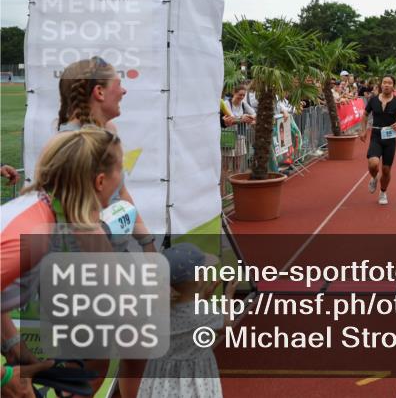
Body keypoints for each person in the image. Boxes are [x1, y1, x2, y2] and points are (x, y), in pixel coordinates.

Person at [1, 128, 122, 395]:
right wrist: (4, 377)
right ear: (100, 182)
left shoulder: (43, 214)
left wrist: (13, 347)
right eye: (120, 169)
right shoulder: (35, 233)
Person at [56, 57, 155, 254]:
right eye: (118, 84)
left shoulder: (109, 131)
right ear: (99, 92)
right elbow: (84, 227)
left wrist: (147, 243)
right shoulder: (72, 145)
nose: (124, 91)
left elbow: (121, 192)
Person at [136, 243, 236, 398]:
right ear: (198, 279)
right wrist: (228, 297)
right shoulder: (203, 311)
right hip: (195, 375)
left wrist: (203, 297)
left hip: (162, 375)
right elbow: (226, 326)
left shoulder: (158, 309)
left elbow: (185, 311)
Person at [362, 75, 396, 205]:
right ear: (381, 85)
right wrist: (362, 130)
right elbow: (365, 114)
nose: (386, 85)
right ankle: (374, 177)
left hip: (390, 139)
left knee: (386, 170)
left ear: (393, 86)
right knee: (373, 164)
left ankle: (383, 192)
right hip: (376, 135)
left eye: (389, 83)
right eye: (384, 82)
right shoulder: (373, 100)